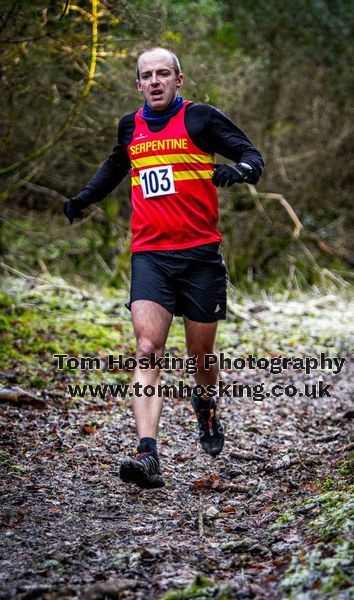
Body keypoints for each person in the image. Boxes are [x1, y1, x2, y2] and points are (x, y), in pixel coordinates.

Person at [64, 47, 264, 489]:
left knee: (200, 357)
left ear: (179, 79)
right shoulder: (130, 126)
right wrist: (83, 199)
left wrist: (240, 170)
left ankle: (206, 404)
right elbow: (117, 165)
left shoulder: (202, 119)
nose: (155, 81)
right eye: (147, 76)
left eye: (163, 74)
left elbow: (252, 155)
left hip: (200, 257)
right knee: (147, 347)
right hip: (150, 255)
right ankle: (147, 453)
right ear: (138, 84)